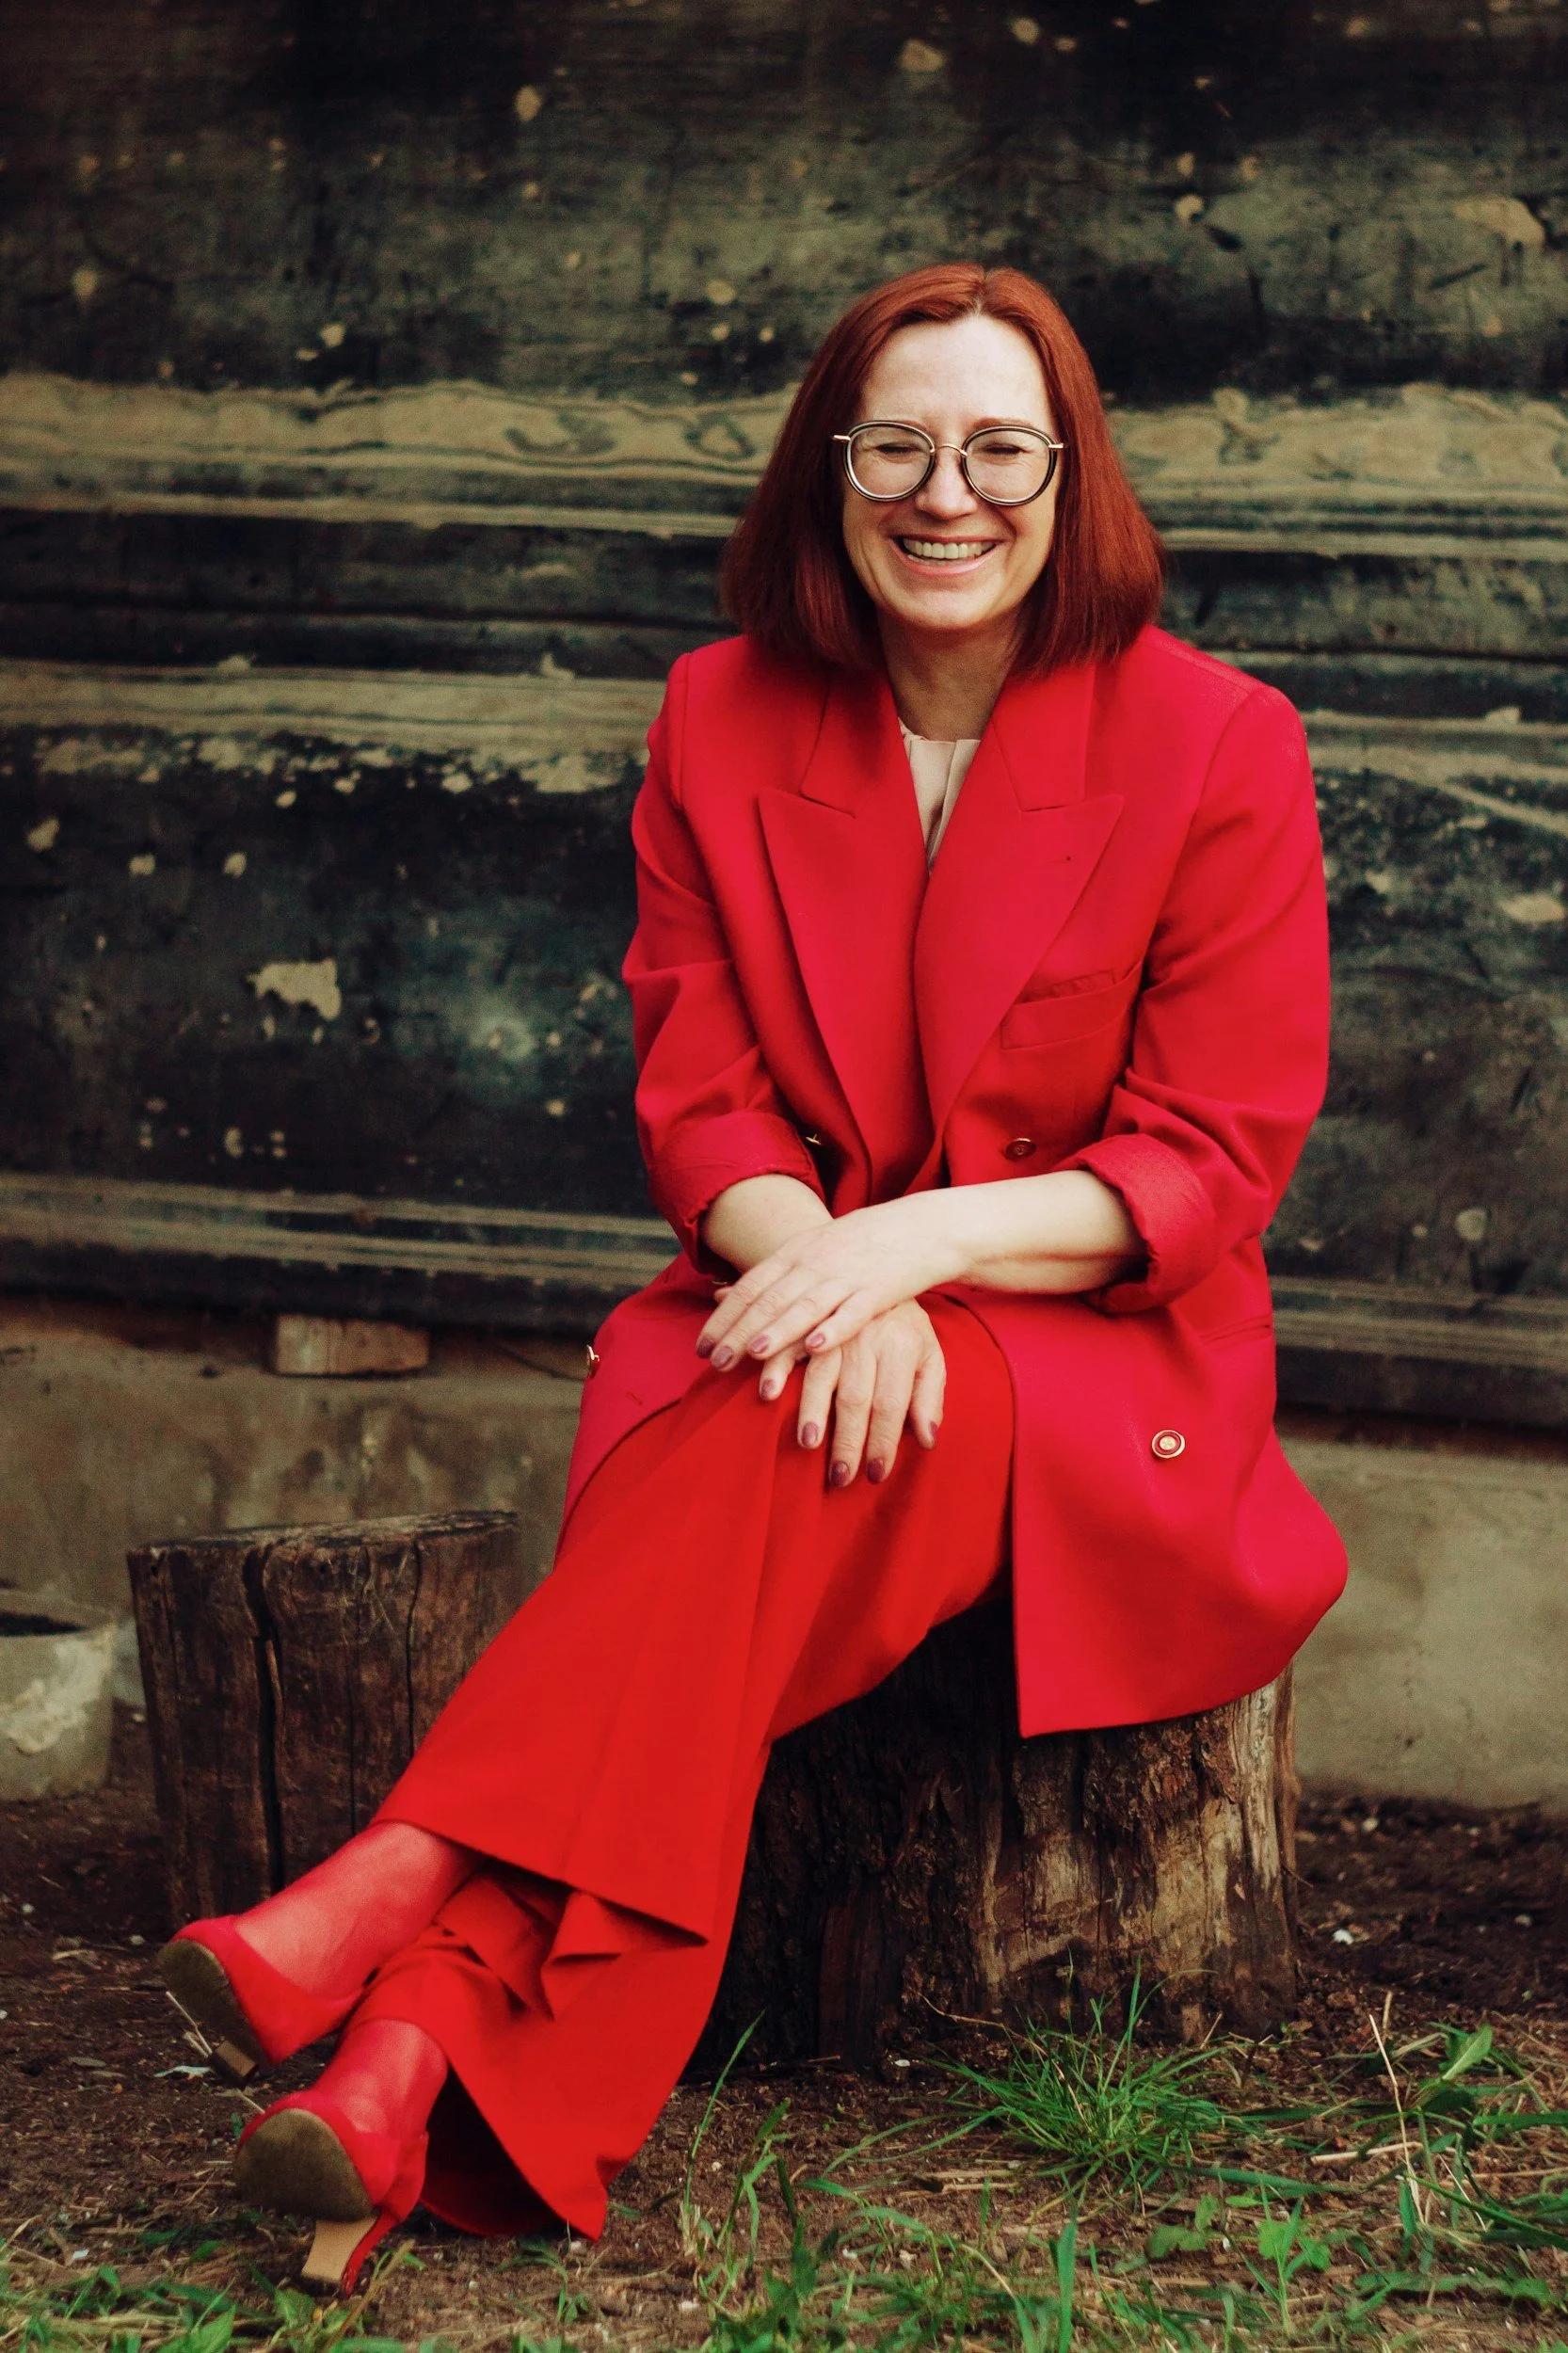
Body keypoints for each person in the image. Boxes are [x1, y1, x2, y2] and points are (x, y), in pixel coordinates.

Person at [156, 262, 1346, 2293]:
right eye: (893, 444)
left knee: (765, 1442)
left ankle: (396, 1893)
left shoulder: (1214, 740)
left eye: (996, 449)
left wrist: (909, 1244)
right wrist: (825, 1267)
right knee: (774, 1436)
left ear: (1070, 478)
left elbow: (1208, 1155)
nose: (941, 493)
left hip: (1086, 1360)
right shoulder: (720, 716)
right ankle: (397, 2072)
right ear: (829, 468)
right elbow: (696, 1090)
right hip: (794, 1320)